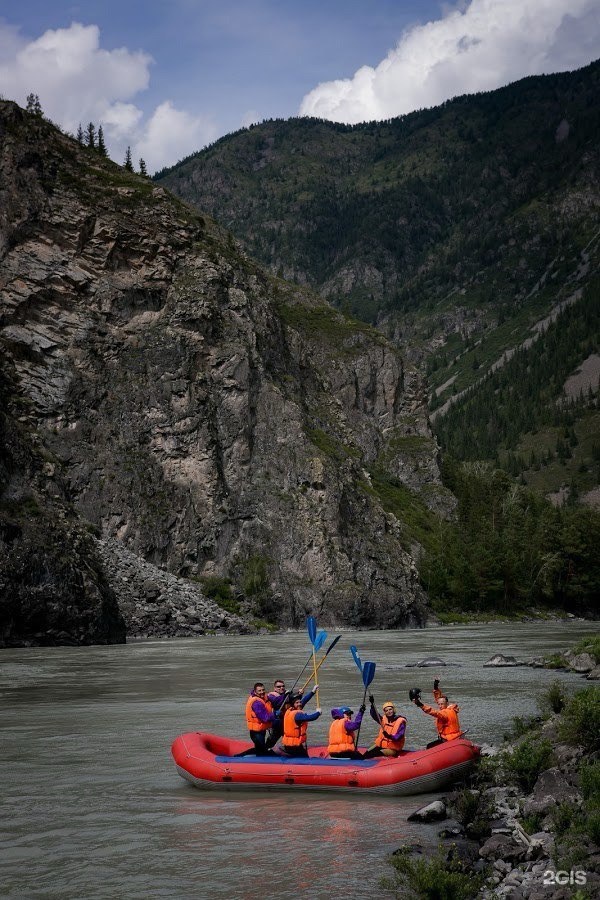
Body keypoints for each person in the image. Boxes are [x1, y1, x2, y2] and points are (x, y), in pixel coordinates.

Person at [266, 680, 318, 749]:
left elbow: (300, 702)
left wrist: (311, 692)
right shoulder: (272, 696)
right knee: (271, 741)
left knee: (291, 740)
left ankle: (291, 750)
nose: (281, 688)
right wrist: (286, 695)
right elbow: (277, 702)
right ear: (274, 688)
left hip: (288, 724)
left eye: (283, 686)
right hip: (278, 724)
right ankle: (265, 751)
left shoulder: (288, 695)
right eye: (278, 687)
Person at [411, 678, 462, 747]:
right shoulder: (452, 709)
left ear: (447, 703)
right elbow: (439, 698)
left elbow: (433, 712)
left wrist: (420, 704)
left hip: (449, 739)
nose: (440, 706)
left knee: (429, 746)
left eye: (442, 704)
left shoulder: (444, 714)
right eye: (439, 704)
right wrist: (435, 686)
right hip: (455, 736)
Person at [236, 682, 278, 756]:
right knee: (261, 750)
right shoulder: (256, 703)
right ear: (255, 691)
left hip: (261, 730)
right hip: (256, 733)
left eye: (263, 690)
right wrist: (274, 714)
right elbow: (265, 718)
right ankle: (238, 757)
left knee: (259, 748)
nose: (262, 692)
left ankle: (239, 756)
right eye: (259, 691)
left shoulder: (263, 697)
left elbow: (277, 700)